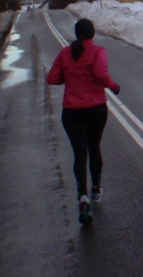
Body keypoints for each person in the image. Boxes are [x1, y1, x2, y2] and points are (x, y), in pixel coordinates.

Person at [46, 18, 120, 226]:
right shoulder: (98, 51)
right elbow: (100, 74)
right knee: (94, 146)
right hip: (96, 108)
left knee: (79, 154)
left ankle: (83, 195)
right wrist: (114, 87)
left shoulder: (64, 53)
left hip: (72, 111)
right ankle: (96, 188)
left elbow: (52, 78)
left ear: (76, 33)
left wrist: (70, 78)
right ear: (93, 33)